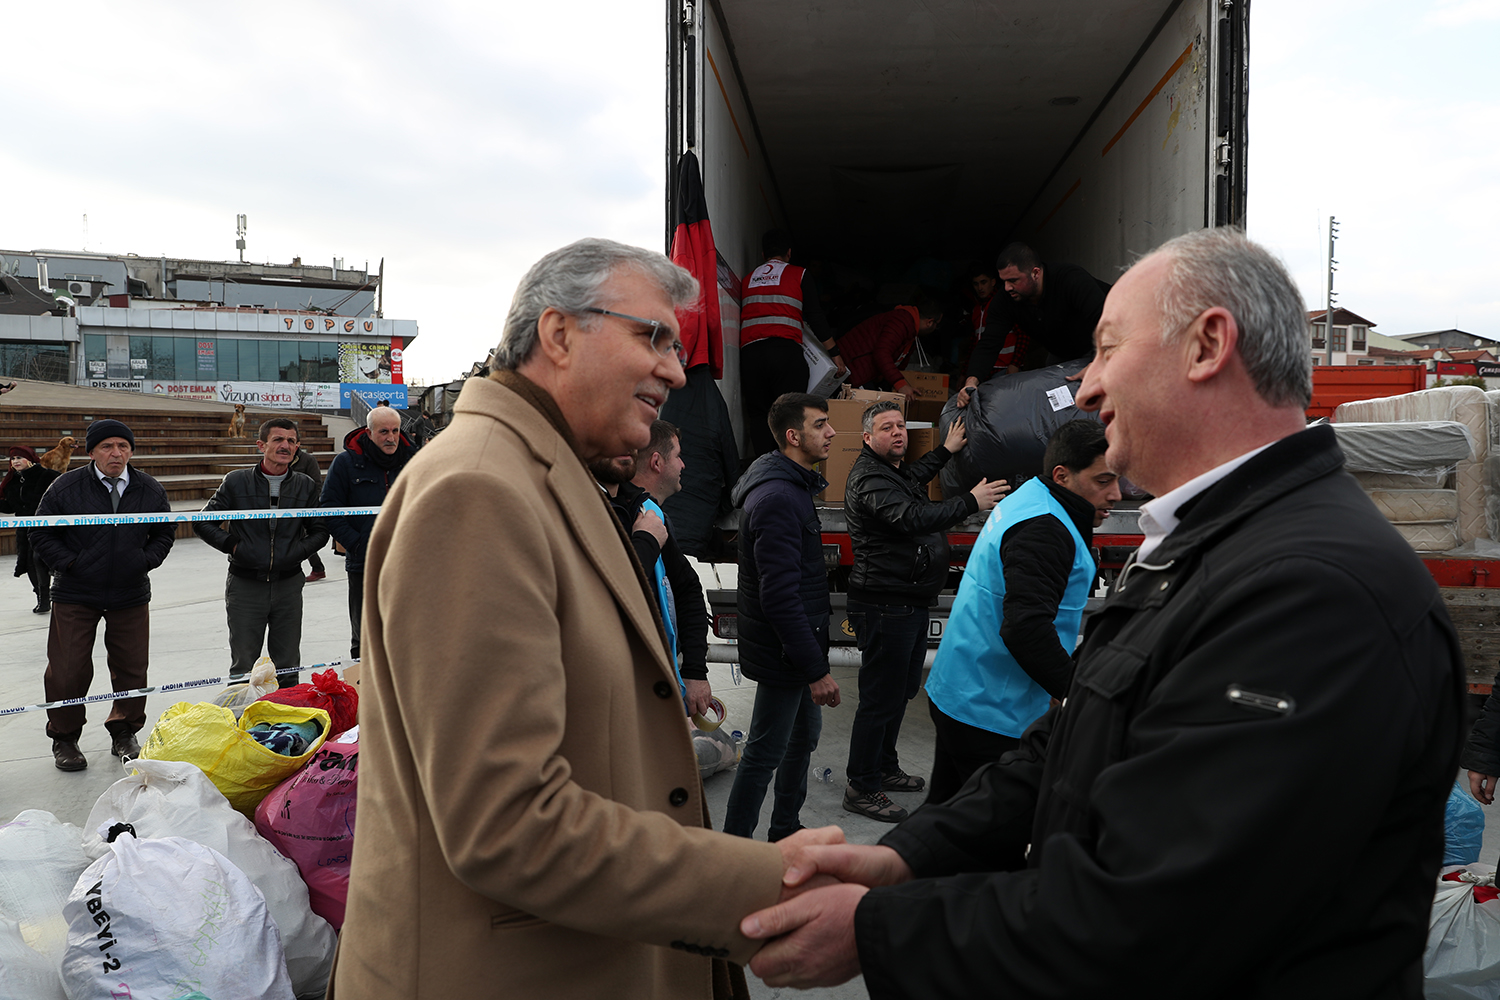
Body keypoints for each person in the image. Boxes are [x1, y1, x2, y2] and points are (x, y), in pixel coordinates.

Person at [739, 228, 1466, 997]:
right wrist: (907, 855)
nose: (1084, 387)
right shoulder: (1201, 541)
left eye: (1109, 349)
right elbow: (1076, 730)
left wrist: (876, 930)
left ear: (1206, 345)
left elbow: (1160, 913)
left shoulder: (1313, 591)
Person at [330, 238, 807, 1000]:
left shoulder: (548, 474)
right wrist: (767, 889)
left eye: (678, 348)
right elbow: (507, 824)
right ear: (557, 334)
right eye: (652, 336)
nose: (677, 372)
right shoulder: (480, 489)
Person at [923, 419, 1119, 805]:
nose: (1115, 494)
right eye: (1103, 481)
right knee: (992, 834)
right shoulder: (1045, 529)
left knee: (945, 815)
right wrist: (1073, 692)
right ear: (1062, 475)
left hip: (961, 690)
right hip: (991, 710)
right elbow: (1025, 628)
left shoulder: (1032, 495)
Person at [841, 402, 1008, 823]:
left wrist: (946, 451)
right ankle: (861, 786)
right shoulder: (868, 478)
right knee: (880, 699)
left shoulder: (892, 473)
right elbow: (910, 516)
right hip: (884, 604)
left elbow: (914, 479)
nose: (897, 433)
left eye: (901, 426)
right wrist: (971, 501)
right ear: (867, 438)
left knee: (900, 693)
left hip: (906, 600)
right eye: (886, 428)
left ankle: (884, 766)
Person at [722, 393, 841, 842]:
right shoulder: (777, 497)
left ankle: (786, 830)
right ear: (793, 436)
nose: (831, 433)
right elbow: (779, 596)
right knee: (764, 752)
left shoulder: (792, 486)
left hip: (798, 651)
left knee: (802, 741)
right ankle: (735, 848)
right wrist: (814, 670)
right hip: (786, 657)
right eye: (821, 425)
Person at [29, 419, 175, 769]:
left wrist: (144, 561)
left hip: (130, 592)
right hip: (76, 591)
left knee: (131, 667)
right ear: (91, 451)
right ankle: (64, 738)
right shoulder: (66, 487)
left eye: (123, 446)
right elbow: (40, 532)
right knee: (67, 670)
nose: (116, 453)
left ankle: (124, 731)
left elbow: (165, 532)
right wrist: (71, 564)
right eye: (108, 446)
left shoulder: (148, 489)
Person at [194, 417, 329, 690]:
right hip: (245, 585)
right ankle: (243, 723)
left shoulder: (305, 485)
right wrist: (234, 546)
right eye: (278, 439)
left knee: (289, 665)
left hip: (289, 584)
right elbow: (202, 522)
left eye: (291, 441)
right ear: (261, 445)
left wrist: (295, 552)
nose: (285, 445)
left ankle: (289, 726)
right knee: (244, 667)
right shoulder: (236, 482)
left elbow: (320, 530)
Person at [590, 425, 712, 719]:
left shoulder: (645, 510)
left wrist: (694, 670)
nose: (626, 447)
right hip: (606, 693)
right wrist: (645, 541)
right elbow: (603, 599)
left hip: (654, 686)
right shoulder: (582, 510)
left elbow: (687, 588)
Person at [953, 242, 1109, 408]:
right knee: (1055, 402)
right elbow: (989, 342)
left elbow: (1108, 324)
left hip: (1105, 343)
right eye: (1003, 281)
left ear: (1035, 273)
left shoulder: (1070, 279)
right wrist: (971, 381)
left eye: (1013, 280)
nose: (1007, 288)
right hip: (1062, 353)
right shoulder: (1006, 299)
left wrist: (1099, 362)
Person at [740, 229, 846, 457]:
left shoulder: (747, 280)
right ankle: (787, 471)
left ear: (762, 253)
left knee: (759, 415)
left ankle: (763, 470)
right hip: (785, 354)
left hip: (750, 356)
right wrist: (835, 354)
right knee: (790, 415)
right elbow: (816, 317)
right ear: (789, 253)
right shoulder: (799, 274)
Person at [320, 405, 413, 660]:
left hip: (408, 561)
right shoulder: (346, 462)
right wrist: (356, 543)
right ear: (369, 432)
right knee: (364, 634)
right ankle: (366, 692)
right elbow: (329, 507)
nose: (391, 437)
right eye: (384, 431)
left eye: (395, 430)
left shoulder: (413, 459)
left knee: (408, 630)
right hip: (364, 562)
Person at [0, 444, 62, 613]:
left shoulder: (47, 475)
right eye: (13, 458)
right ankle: (42, 598)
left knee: (39, 558)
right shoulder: (11, 481)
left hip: (46, 527)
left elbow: (63, 495)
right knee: (29, 562)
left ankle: (50, 596)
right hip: (24, 528)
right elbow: (11, 507)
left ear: (30, 459)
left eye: (19, 457)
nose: (15, 461)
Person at [838, 302, 943, 401]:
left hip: (860, 368)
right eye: (937, 325)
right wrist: (900, 384)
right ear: (929, 322)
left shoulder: (910, 328)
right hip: (853, 367)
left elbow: (898, 360)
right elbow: (882, 353)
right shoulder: (901, 321)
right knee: (868, 411)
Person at [289, 440, 328, 582]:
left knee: (303, 538)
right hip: (286, 506)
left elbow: (317, 484)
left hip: (304, 507)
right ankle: (317, 568)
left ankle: (318, 568)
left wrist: (308, 505)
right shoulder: (282, 459)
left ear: (297, 444)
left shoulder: (308, 460)